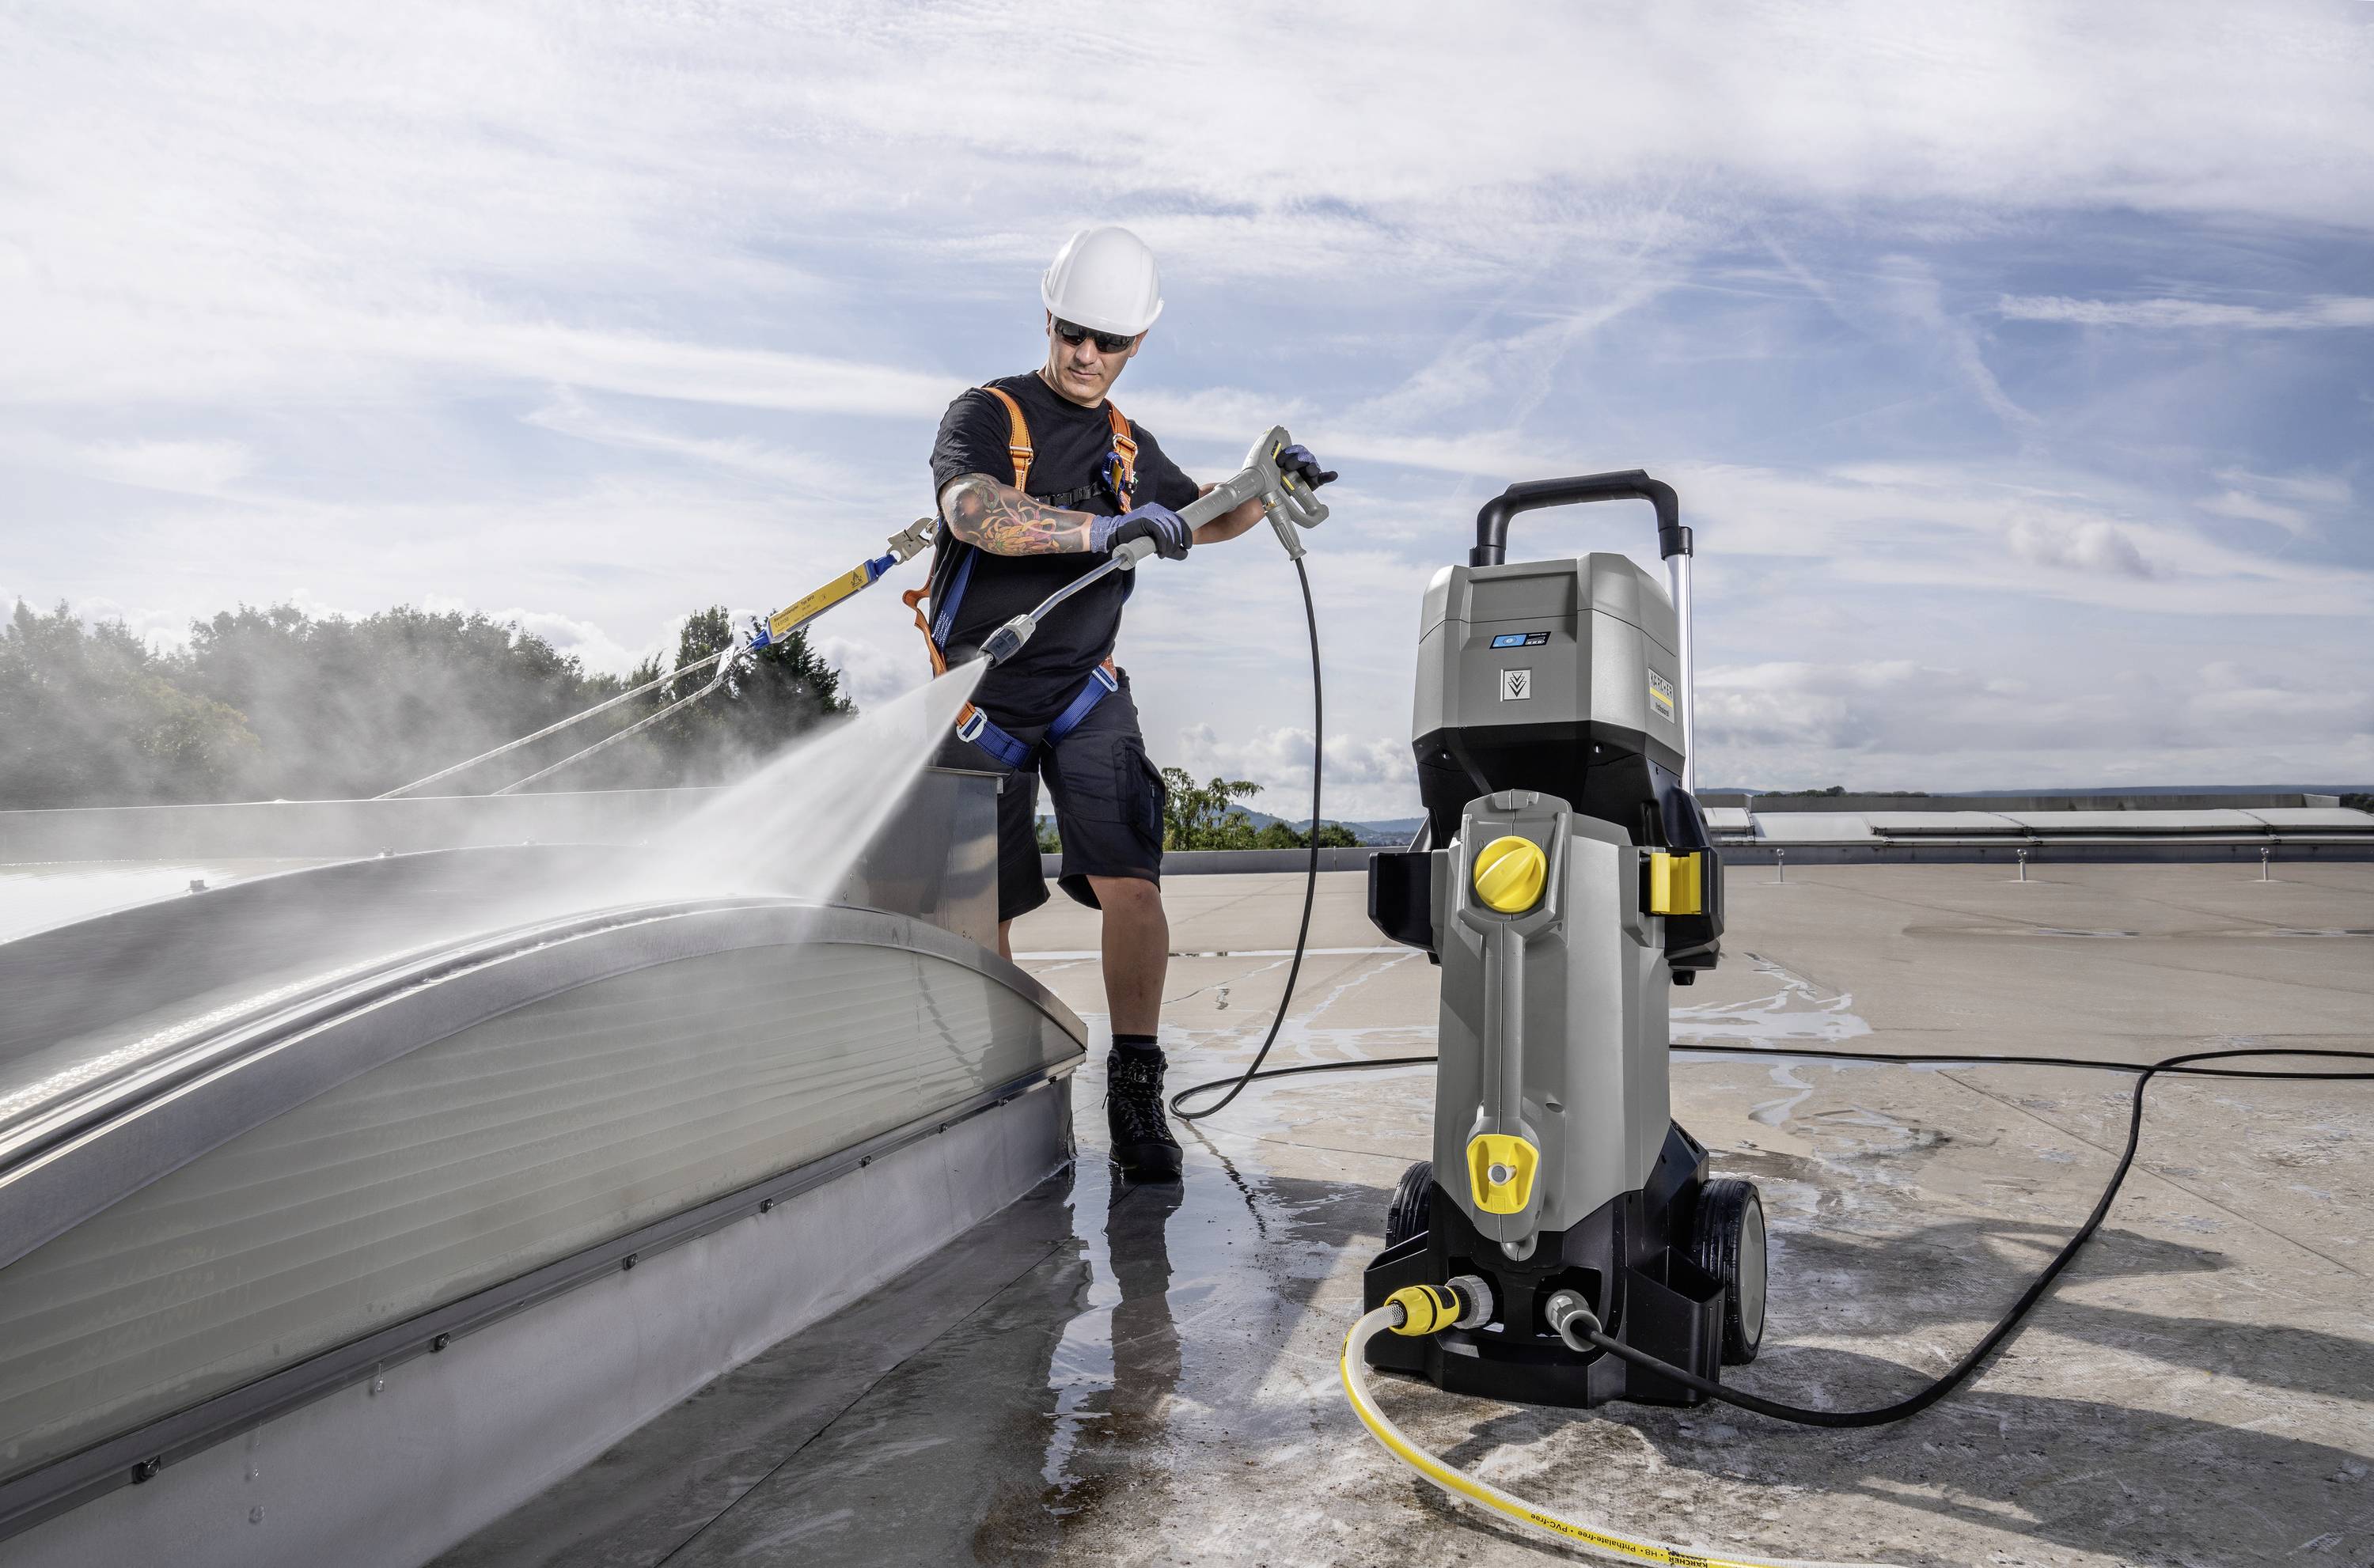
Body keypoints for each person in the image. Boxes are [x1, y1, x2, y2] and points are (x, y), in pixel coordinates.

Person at [919, 225, 1333, 1181]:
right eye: (1073, 332)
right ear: (1049, 316)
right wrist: (1104, 525)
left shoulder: (1127, 444)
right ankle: (1003, 1077)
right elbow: (972, 510)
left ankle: (1136, 1087)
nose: (1086, 356)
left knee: (1133, 884)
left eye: (1109, 342)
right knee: (983, 912)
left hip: (1084, 689)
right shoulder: (987, 413)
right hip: (983, 699)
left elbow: (1202, 515)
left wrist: (1266, 487)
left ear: (1138, 343)